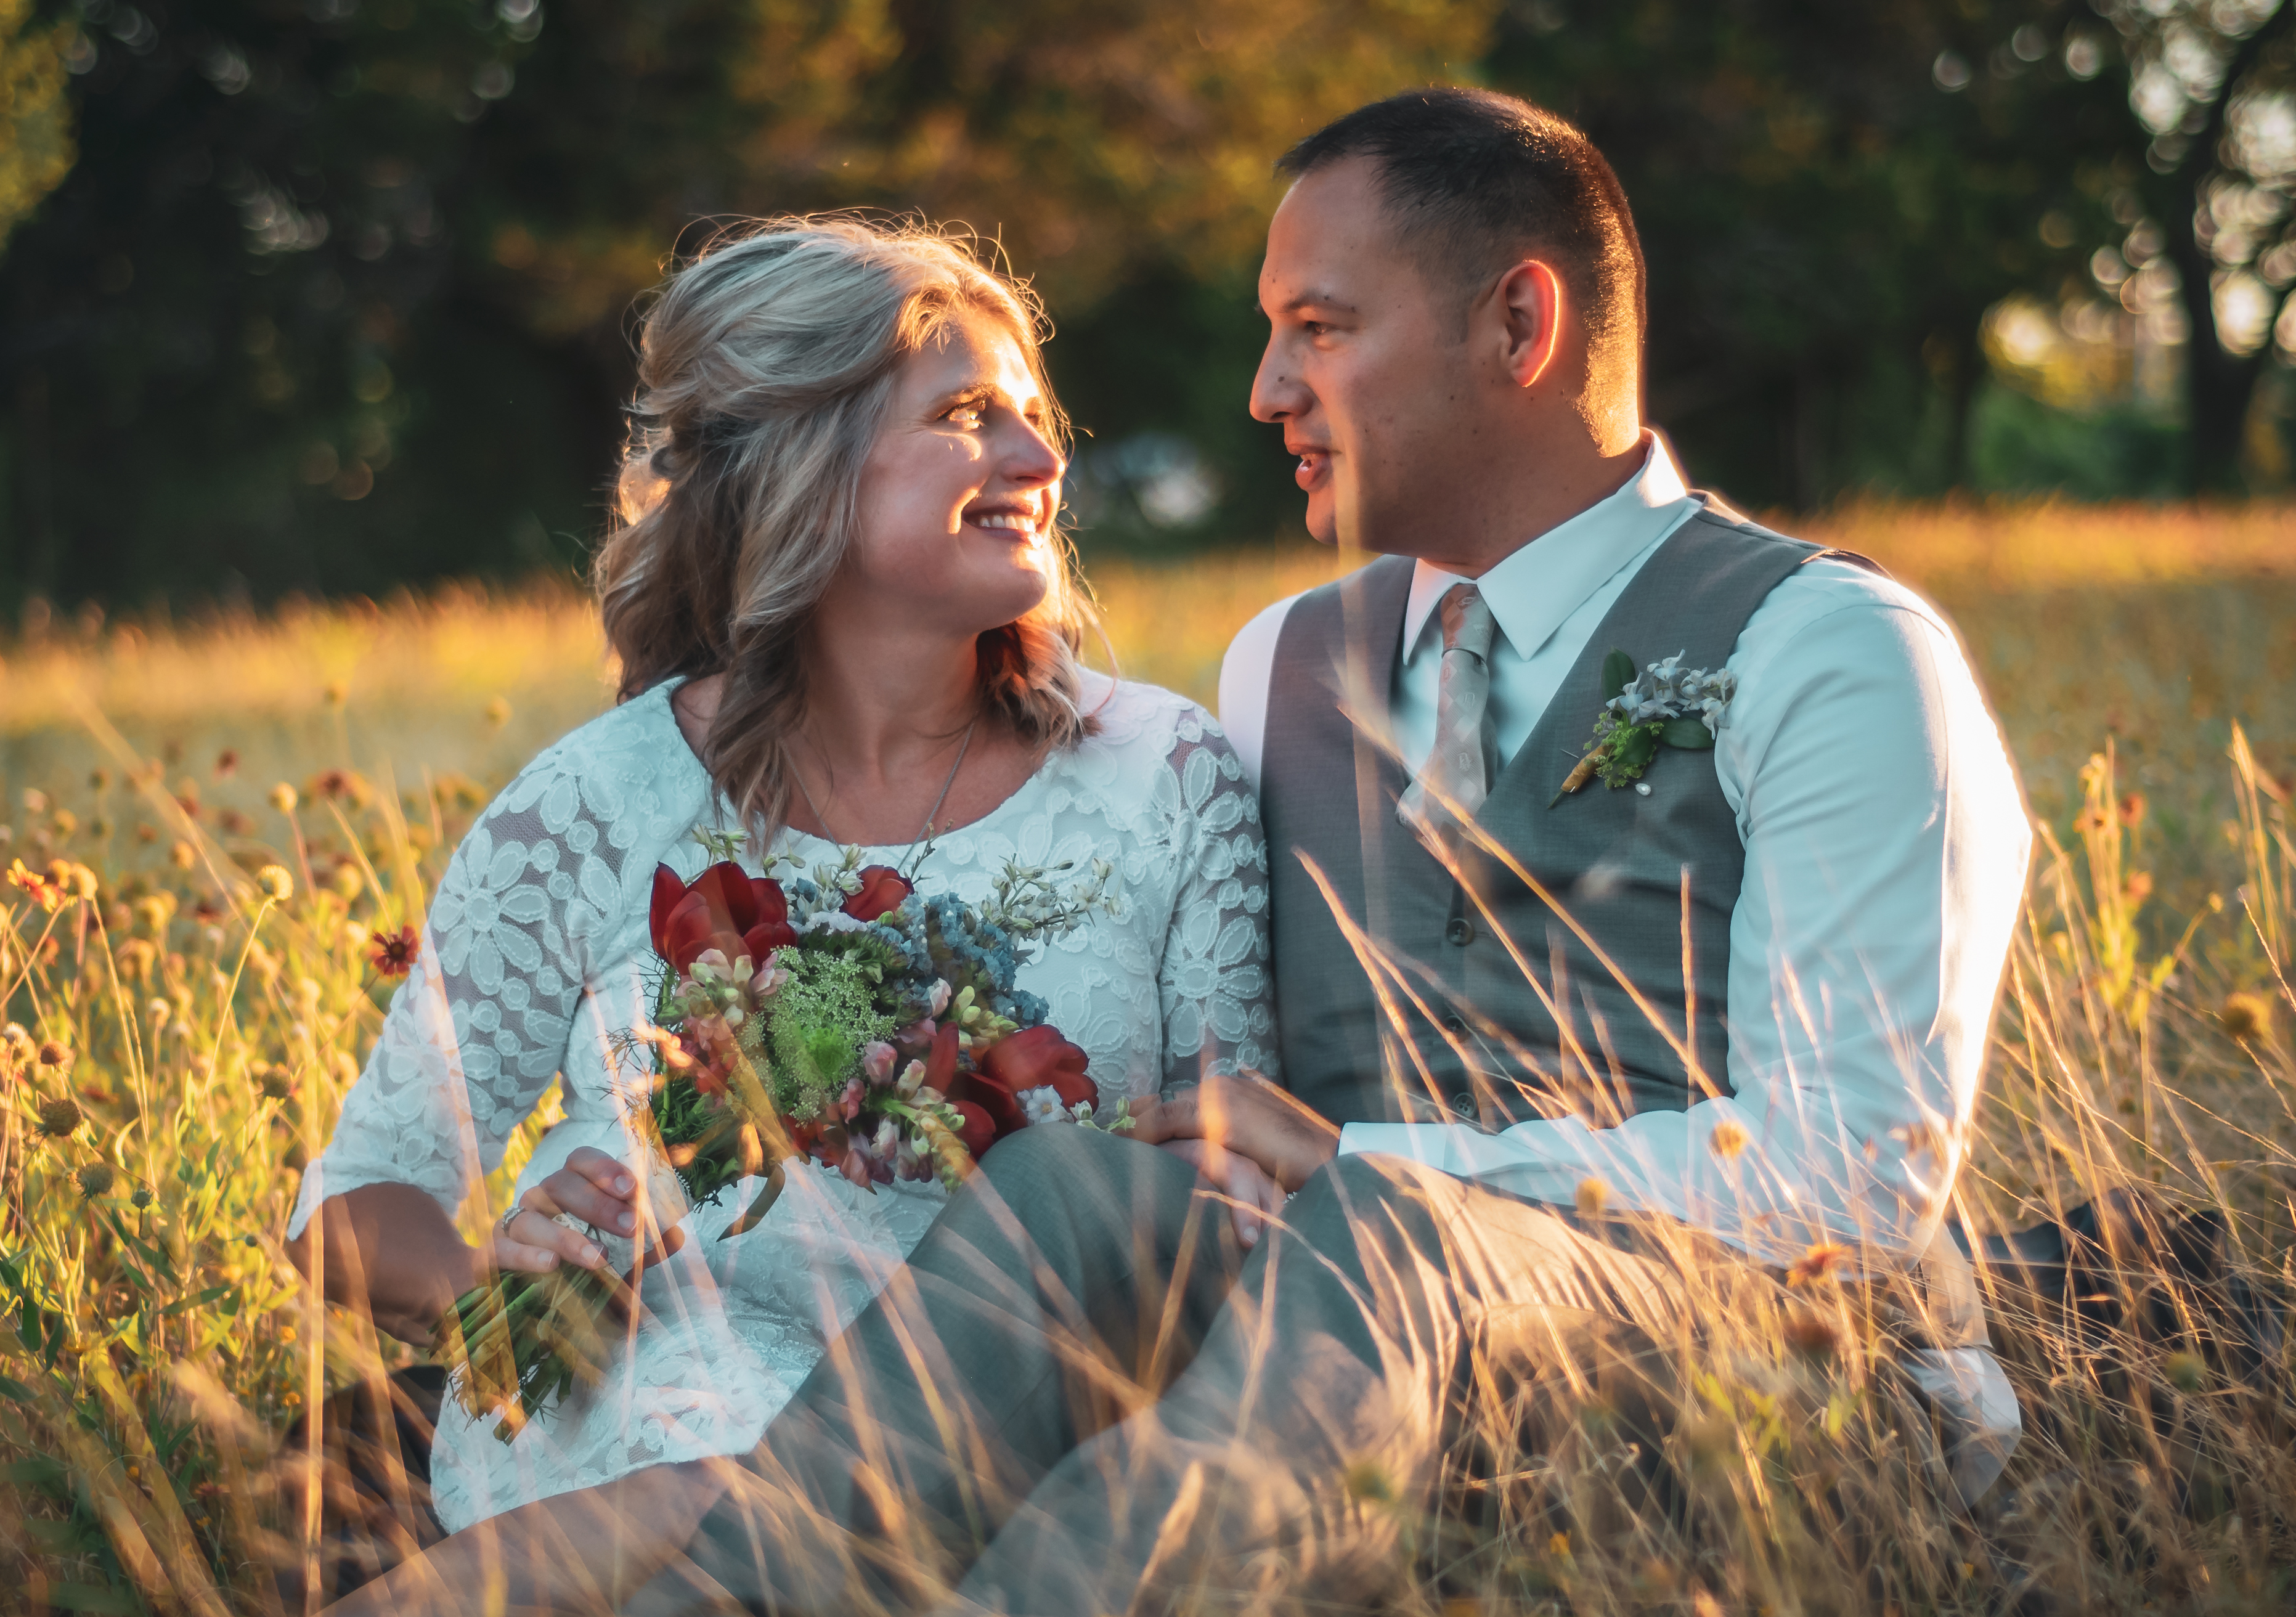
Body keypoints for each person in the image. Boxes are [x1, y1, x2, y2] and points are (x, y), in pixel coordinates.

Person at [608, 87, 2034, 1617]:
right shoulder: (1282, 663)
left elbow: (1857, 1173)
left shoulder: (1828, 649)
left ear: (1520, 323)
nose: (1266, 387)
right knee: (1078, 1195)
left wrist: (1381, 1170)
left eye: (1321, 327)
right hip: (1338, 1373)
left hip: (1764, 1382)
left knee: (1386, 1237)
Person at [292, 218, 1278, 1613]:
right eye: (965, 417)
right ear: (799, 467)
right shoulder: (594, 802)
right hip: (658, 1411)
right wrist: (491, 1281)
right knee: (732, 1482)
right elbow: (353, 1199)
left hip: (1024, 1413)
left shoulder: (1163, 777)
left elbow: (1226, 1180)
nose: (1040, 463)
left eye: (1035, 419)